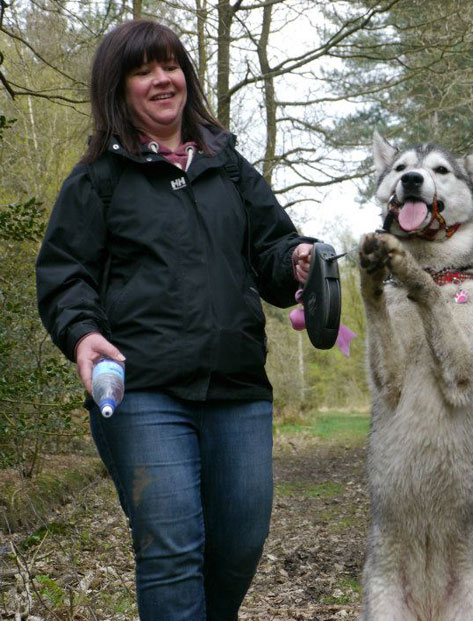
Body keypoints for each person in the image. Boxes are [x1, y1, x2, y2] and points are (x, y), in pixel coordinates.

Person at [36, 19, 315, 621]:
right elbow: (65, 275)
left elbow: (271, 251)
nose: (162, 80)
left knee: (239, 547)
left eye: (170, 66)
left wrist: (295, 260)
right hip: (142, 391)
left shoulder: (229, 166)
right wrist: (83, 333)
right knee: (170, 551)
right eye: (143, 70)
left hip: (238, 388)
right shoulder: (98, 181)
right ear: (120, 87)